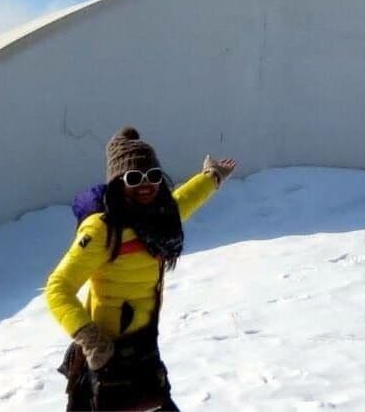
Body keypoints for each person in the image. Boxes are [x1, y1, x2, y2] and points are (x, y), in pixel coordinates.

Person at [46, 126, 237, 412]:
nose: (145, 185)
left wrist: (212, 176)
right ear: (117, 183)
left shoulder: (161, 218)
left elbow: (185, 199)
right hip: (106, 357)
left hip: (144, 347)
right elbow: (58, 287)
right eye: (133, 178)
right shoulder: (102, 230)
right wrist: (92, 341)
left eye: (153, 176)